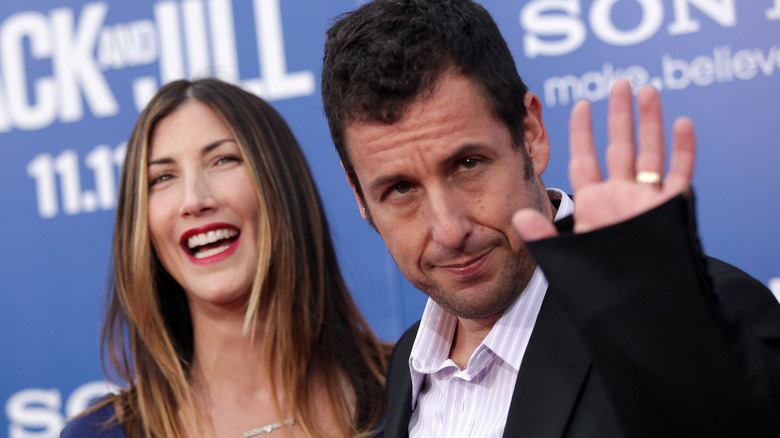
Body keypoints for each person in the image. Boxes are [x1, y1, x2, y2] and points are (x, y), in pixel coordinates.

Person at [321, 0, 780, 437]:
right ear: (359, 195)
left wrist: (659, 324)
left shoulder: (694, 313)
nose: (449, 230)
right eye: (400, 189)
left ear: (531, 134)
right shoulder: (405, 363)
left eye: (468, 164)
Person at [60, 78, 389, 437]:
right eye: (163, 177)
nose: (194, 199)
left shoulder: (417, 384)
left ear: (282, 184)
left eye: (223, 159)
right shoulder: (97, 433)